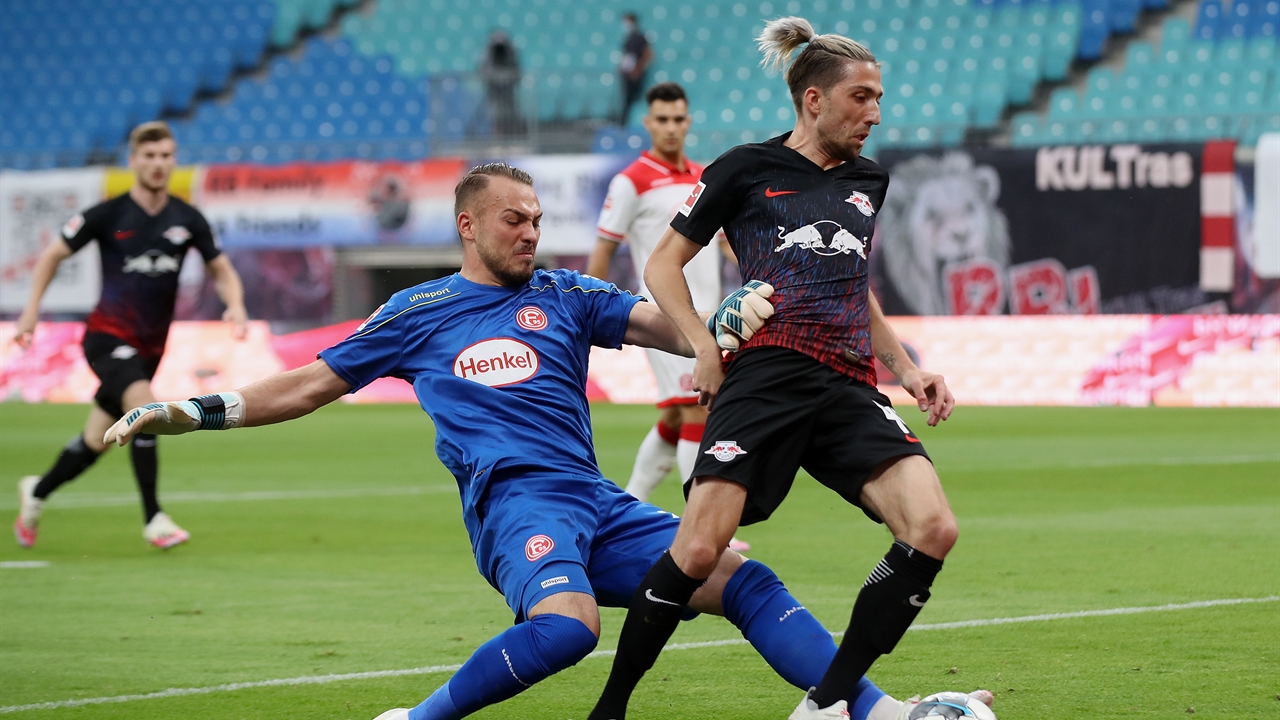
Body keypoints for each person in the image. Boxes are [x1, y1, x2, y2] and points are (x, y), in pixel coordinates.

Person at [102, 163, 911, 720]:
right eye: (514, 220)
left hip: (596, 503)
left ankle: (874, 710)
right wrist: (195, 411)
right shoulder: (418, 313)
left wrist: (718, 326)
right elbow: (309, 384)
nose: (531, 232)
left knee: (743, 580)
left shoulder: (567, 293)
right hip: (515, 504)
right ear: (468, 225)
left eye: (537, 220)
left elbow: (664, 327)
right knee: (569, 628)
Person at [588, 18, 991, 720]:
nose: (875, 112)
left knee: (933, 528)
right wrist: (704, 346)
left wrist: (906, 368)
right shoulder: (744, 168)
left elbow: (853, 284)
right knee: (699, 549)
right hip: (765, 376)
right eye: (861, 97)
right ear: (813, 99)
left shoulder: (870, 180)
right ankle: (610, 710)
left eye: (879, 97)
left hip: (847, 383)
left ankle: (825, 704)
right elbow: (662, 265)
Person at [12, 121, 247, 551]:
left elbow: (221, 268)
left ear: (174, 160)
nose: (158, 164)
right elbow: (52, 254)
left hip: (150, 348)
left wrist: (235, 304)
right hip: (106, 336)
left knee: (95, 441)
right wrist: (30, 312)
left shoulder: (187, 218)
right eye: (150, 156)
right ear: (133, 160)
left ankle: (37, 491)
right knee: (147, 409)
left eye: (166, 156)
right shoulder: (107, 215)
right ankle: (154, 518)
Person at [588, 82, 747, 553]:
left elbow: (725, 244)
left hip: (709, 314)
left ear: (688, 121)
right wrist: (586, 313)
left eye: (678, 119)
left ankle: (623, 510)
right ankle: (704, 528)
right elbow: (604, 249)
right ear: (648, 123)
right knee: (697, 407)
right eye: (662, 120)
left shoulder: (703, 176)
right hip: (663, 316)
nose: (671, 128)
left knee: (679, 416)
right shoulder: (631, 181)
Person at [479, 30, 522, 137]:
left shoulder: (510, 54)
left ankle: (513, 136)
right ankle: (496, 137)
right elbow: (483, 71)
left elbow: (516, 72)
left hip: (508, 92)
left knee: (510, 115)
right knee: (494, 115)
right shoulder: (488, 54)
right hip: (493, 91)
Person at [616, 11, 652, 126]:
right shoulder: (627, 38)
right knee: (626, 100)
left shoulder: (640, 38)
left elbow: (648, 55)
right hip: (627, 74)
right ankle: (624, 124)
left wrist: (638, 69)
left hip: (636, 74)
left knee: (635, 98)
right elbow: (627, 56)